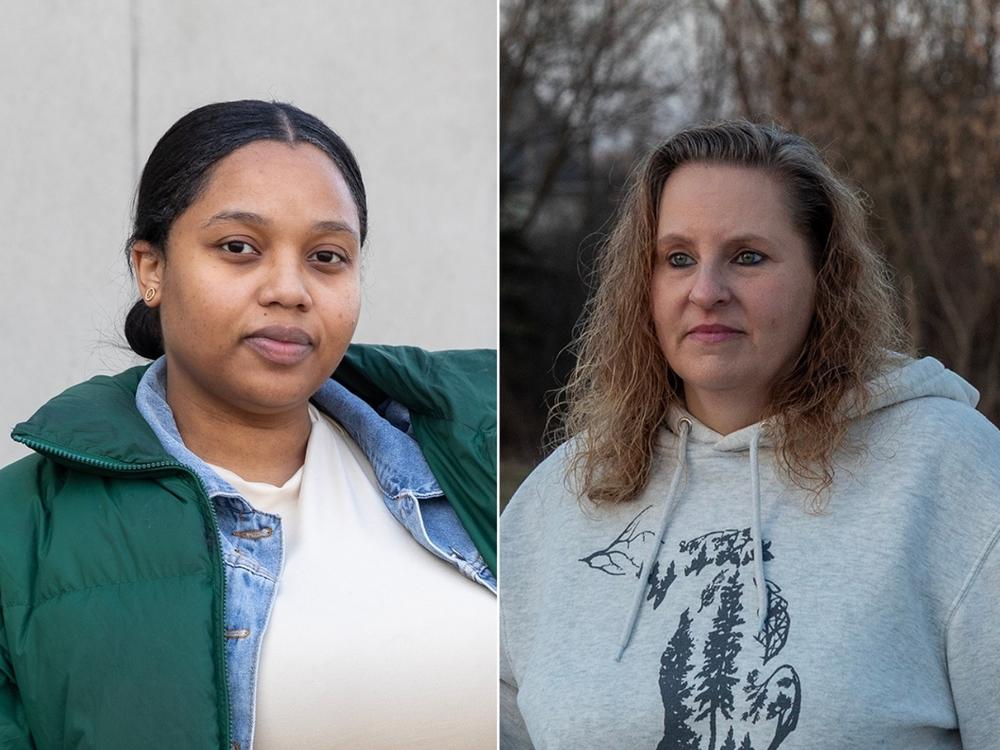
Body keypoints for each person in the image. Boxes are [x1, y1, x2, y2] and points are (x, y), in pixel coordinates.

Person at [0, 100, 497, 750]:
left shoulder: (464, 446)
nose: (290, 289)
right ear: (151, 269)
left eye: (326, 257)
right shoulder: (22, 531)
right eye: (239, 248)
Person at [500, 120, 1000, 750]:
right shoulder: (563, 497)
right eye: (677, 258)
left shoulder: (952, 474)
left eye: (748, 257)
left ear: (824, 278)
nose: (706, 291)